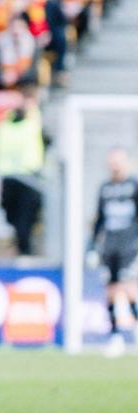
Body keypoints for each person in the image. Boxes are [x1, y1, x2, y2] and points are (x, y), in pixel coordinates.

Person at [89, 147, 138, 358]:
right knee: (110, 292)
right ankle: (115, 336)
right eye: (112, 161)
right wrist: (92, 247)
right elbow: (99, 219)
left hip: (130, 246)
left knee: (128, 289)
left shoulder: (134, 186)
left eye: (118, 161)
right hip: (109, 248)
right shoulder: (105, 188)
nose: (115, 165)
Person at [0, 89, 45, 257]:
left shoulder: (6, 126)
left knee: (22, 218)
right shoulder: (25, 124)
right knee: (17, 217)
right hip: (18, 176)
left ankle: (24, 249)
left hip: (21, 177)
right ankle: (23, 248)